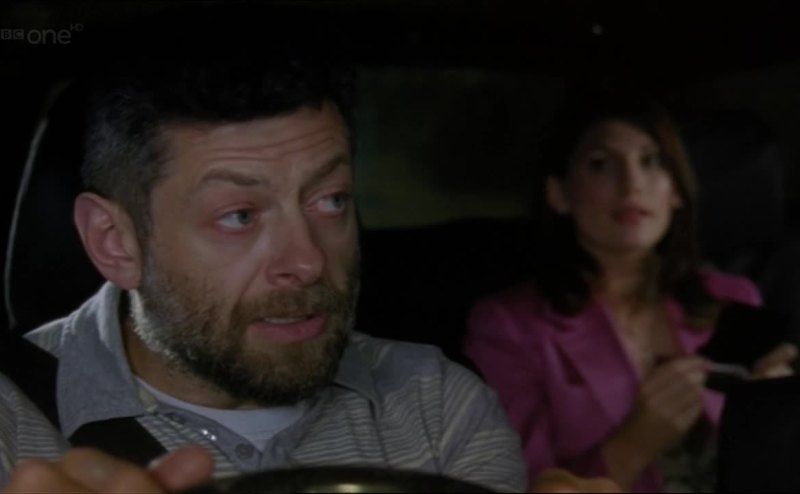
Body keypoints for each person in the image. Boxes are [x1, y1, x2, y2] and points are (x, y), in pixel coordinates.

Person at [0, 15, 531, 493]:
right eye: (239, 216)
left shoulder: (437, 406)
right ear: (115, 241)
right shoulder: (11, 426)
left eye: (331, 200)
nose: (308, 263)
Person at [463, 91, 798, 492]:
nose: (632, 184)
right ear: (559, 193)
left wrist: (775, 412)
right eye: (601, 164)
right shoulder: (508, 326)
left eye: (652, 162)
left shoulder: (733, 298)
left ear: (676, 191)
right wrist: (632, 446)